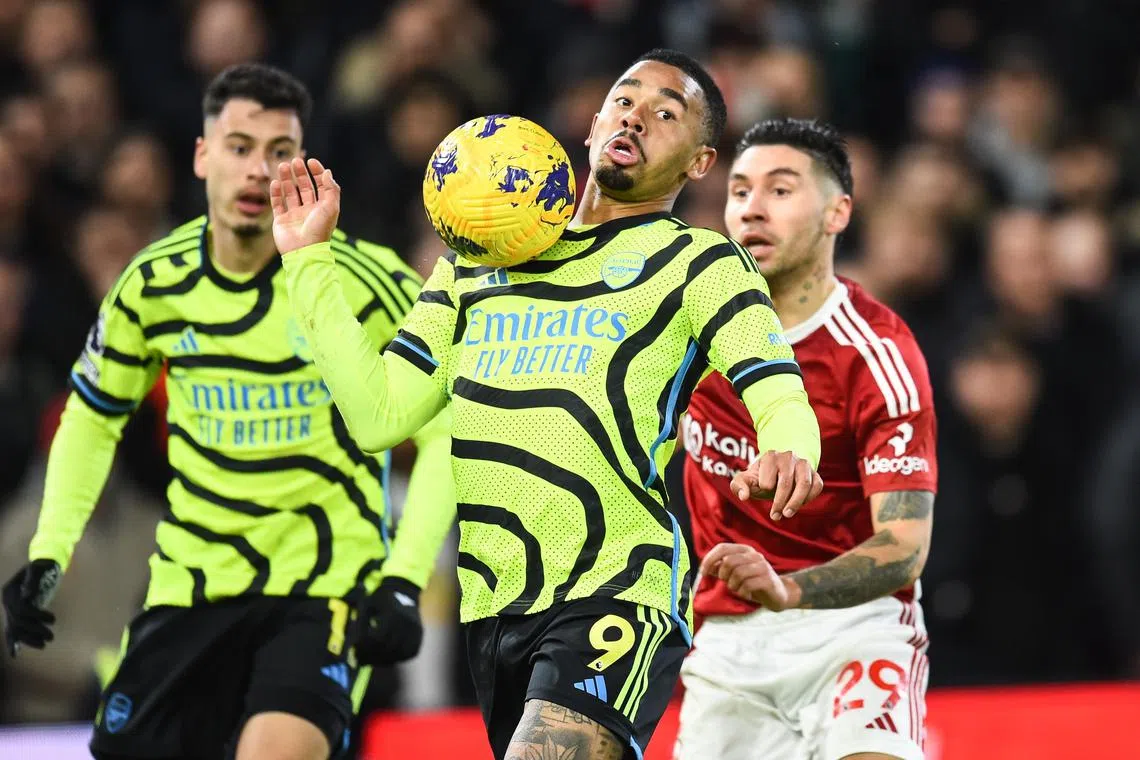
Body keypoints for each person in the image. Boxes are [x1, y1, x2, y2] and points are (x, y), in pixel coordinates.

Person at [272, 49, 825, 760]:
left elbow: (775, 383)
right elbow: (379, 415)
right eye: (624, 100)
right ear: (593, 125)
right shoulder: (473, 265)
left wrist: (791, 447)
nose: (636, 116)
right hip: (493, 604)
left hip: (616, 592)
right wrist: (307, 261)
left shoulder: (701, 263)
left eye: (667, 113)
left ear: (698, 163)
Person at [0, 63, 456, 760]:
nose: (257, 171)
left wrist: (402, 578)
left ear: (303, 166)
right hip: (194, 583)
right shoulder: (153, 282)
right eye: (239, 147)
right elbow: (92, 419)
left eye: (280, 153)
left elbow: (442, 431)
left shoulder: (369, 281)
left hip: (325, 591)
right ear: (201, 156)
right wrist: (49, 551)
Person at [675, 118, 937, 760]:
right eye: (738, 191)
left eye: (780, 190)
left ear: (837, 212)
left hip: (852, 631)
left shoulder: (876, 355)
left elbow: (904, 546)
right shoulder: (682, 335)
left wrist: (791, 589)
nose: (752, 209)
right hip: (727, 642)